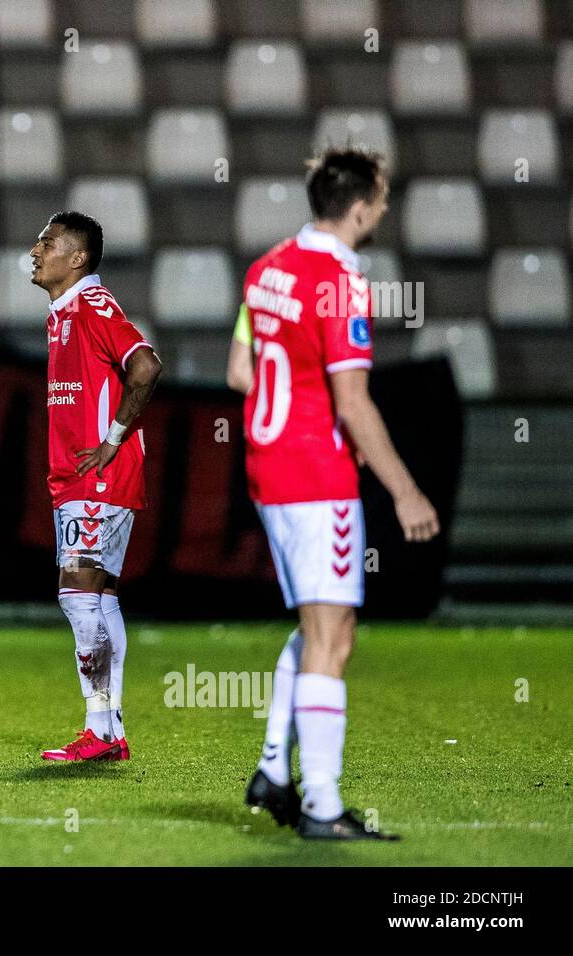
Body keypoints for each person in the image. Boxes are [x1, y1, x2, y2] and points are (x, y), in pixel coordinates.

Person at [231, 147, 439, 839]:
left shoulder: (268, 268)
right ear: (358, 207)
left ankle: (275, 771)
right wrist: (406, 491)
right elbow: (353, 403)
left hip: (269, 469)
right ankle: (320, 805)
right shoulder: (341, 282)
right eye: (380, 199)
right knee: (333, 639)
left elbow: (241, 371)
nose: (382, 209)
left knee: (322, 629)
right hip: (316, 475)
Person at [29, 211, 162, 761]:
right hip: (80, 478)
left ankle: (101, 730)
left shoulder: (91, 304)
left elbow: (147, 366)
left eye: (47, 242)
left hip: (99, 476)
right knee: (100, 599)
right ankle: (109, 730)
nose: (35, 251)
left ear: (77, 258)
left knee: (78, 595)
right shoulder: (63, 312)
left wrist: (113, 437)